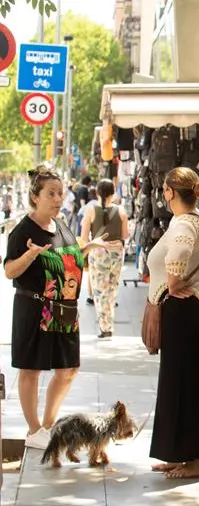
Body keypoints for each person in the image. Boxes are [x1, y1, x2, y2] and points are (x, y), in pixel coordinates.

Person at [4, 167, 108, 450]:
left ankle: (48, 425)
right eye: (51, 193)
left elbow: (68, 259)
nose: (57, 198)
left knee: (68, 369)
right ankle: (34, 428)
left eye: (60, 193)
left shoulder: (60, 225)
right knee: (31, 369)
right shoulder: (23, 230)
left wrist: (89, 248)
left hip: (63, 309)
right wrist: (29, 254)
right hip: (34, 308)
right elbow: (10, 271)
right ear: (35, 197)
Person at [147, 167, 199, 479]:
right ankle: (180, 452)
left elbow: (176, 268)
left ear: (169, 192)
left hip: (188, 311)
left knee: (189, 386)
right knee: (182, 384)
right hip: (194, 311)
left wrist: (173, 282)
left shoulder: (183, 224)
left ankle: (198, 459)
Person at [80, 179, 128, 339]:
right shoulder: (121, 211)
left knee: (99, 290)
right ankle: (109, 323)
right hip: (116, 252)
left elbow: (84, 236)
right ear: (113, 193)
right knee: (112, 289)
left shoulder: (90, 210)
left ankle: (104, 327)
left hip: (99, 251)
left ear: (98, 193)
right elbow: (125, 235)